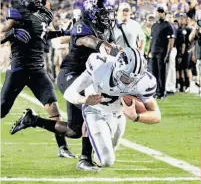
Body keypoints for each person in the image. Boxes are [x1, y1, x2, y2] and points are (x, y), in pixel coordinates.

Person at [11, 0, 120, 171]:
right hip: (70, 75)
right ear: (92, 13)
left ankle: (33, 120)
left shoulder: (107, 29)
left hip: (87, 78)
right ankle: (85, 159)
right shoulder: (82, 25)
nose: (107, 17)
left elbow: (112, 49)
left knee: (74, 131)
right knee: (90, 110)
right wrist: (103, 46)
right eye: (103, 13)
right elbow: (88, 41)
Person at [10, 47, 161, 168]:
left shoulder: (144, 81)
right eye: (126, 78)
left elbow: (156, 115)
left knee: (105, 155)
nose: (130, 83)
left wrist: (136, 117)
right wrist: (84, 100)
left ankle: (95, 148)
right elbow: (69, 93)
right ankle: (86, 156)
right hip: (95, 110)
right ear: (117, 68)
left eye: (134, 79)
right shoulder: (100, 67)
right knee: (107, 161)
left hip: (118, 114)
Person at [0, 0, 75, 158]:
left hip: (37, 69)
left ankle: (62, 148)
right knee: (2, 110)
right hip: (18, 68)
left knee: (54, 109)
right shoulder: (16, 11)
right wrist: (12, 33)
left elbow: (41, 33)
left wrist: (62, 32)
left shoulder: (45, 13)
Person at [148, 7, 174, 99]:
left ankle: (162, 92)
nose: (159, 14)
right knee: (154, 73)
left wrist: (168, 54)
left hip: (162, 53)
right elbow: (151, 40)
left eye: (161, 12)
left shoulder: (167, 25)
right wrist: (148, 52)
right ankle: (156, 91)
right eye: (158, 12)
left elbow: (171, 41)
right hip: (154, 52)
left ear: (164, 14)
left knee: (161, 73)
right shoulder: (154, 25)